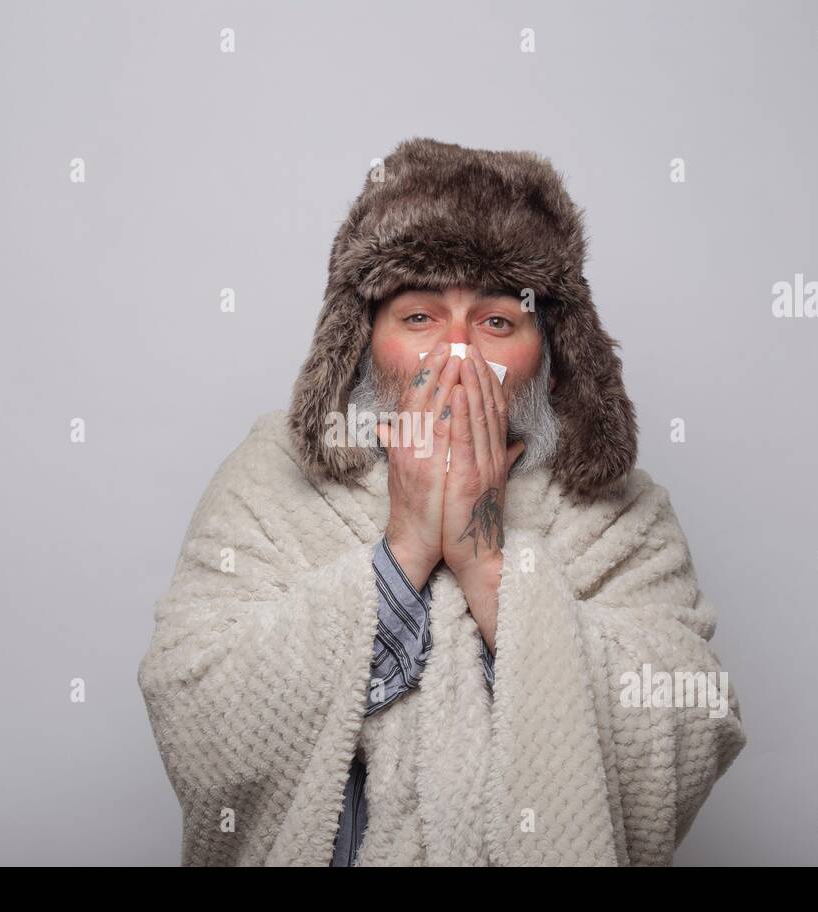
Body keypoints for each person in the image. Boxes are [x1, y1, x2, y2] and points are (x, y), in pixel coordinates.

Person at [137, 137, 746, 866]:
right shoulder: (270, 473)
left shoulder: (621, 512)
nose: (456, 355)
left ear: (550, 356)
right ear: (362, 343)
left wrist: (487, 561)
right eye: (419, 318)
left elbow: (686, 732)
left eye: (496, 322)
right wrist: (407, 549)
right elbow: (196, 711)